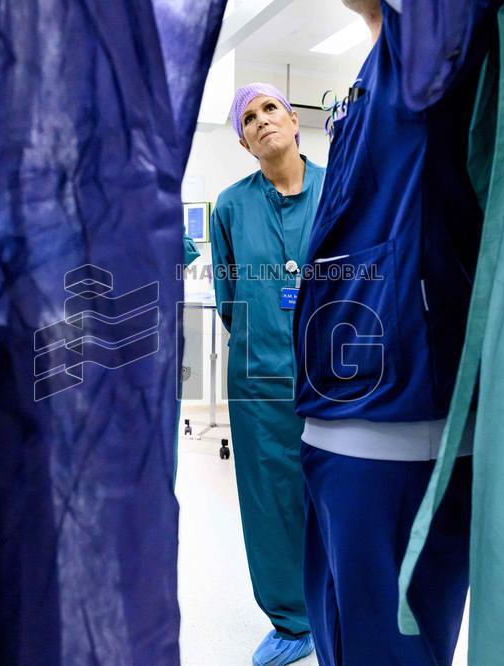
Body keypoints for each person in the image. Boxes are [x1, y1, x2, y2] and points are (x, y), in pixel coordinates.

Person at [293, 1, 499, 664]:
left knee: (391, 646)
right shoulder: (365, 79)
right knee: (340, 637)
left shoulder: (429, 44)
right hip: (333, 415)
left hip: (401, 422)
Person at [210, 83, 324, 666]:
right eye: (248, 118)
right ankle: (291, 620)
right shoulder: (230, 206)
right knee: (271, 499)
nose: (260, 121)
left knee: (340, 492)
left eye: (270, 108)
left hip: (339, 371)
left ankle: (341, 608)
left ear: (294, 120)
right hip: (259, 379)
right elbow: (228, 298)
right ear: (243, 141)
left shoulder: (340, 187)